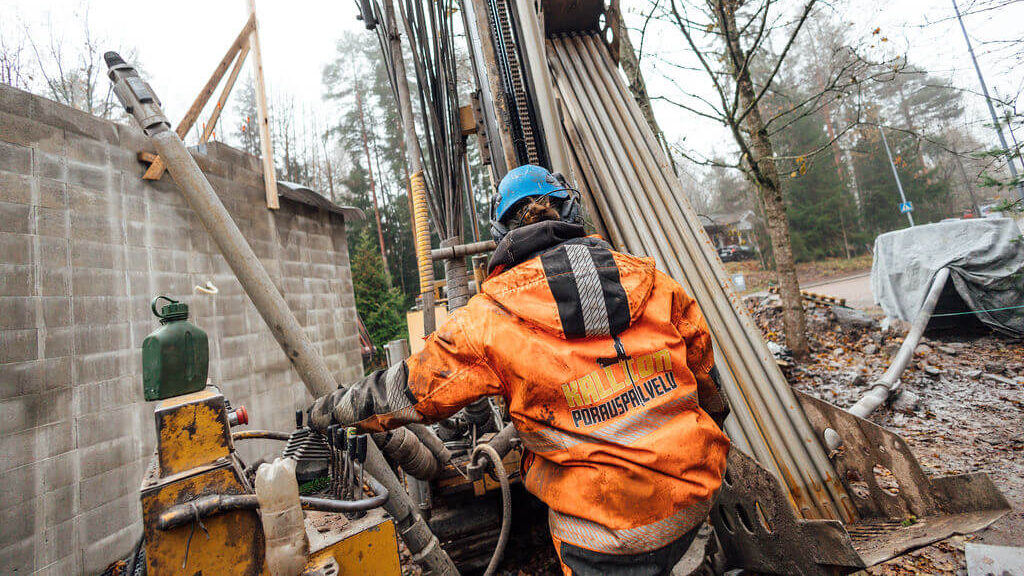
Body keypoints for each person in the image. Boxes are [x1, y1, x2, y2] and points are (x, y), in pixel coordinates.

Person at [309, 164, 730, 576]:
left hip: (601, 538)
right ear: (572, 212)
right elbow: (708, 387)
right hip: (693, 499)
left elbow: (407, 391)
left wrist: (327, 411)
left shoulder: (491, 319)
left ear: (500, 233)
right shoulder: (654, 282)